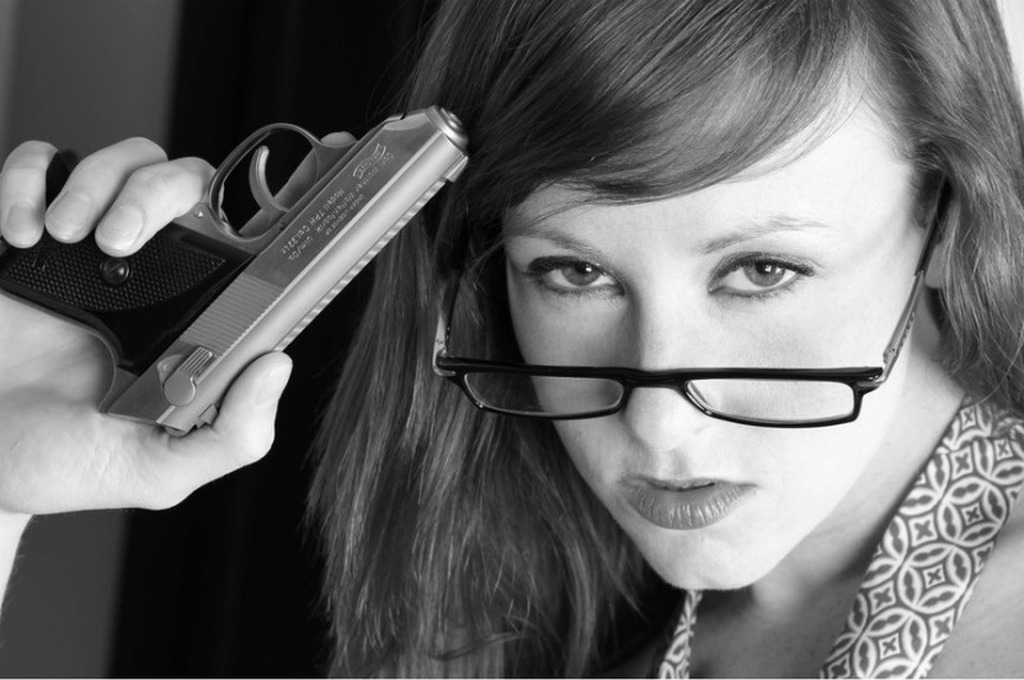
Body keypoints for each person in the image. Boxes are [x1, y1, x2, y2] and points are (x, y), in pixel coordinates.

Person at [2, 0, 1024, 676]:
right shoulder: (519, 622)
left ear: (944, 220)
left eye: (762, 271)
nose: (659, 424)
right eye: (573, 272)